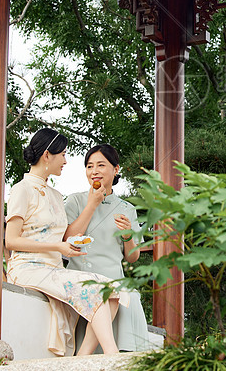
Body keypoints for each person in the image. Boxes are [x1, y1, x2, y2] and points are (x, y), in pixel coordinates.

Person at [5, 128, 127, 356]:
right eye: (62, 155)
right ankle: (113, 355)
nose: (66, 161)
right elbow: (11, 241)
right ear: (47, 156)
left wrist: (70, 245)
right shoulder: (21, 190)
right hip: (27, 268)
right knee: (99, 291)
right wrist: (57, 246)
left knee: (111, 291)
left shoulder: (55, 194)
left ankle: (82, 358)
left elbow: (62, 237)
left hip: (54, 268)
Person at [65, 144, 150, 352]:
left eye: (101, 165)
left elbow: (132, 257)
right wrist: (92, 204)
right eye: (89, 166)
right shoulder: (75, 201)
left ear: (116, 169)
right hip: (80, 278)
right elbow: (67, 238)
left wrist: (128, 235)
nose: (94, 171)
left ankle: (124, 354)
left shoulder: (126, 209)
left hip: (113, 279)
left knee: (131, 297)